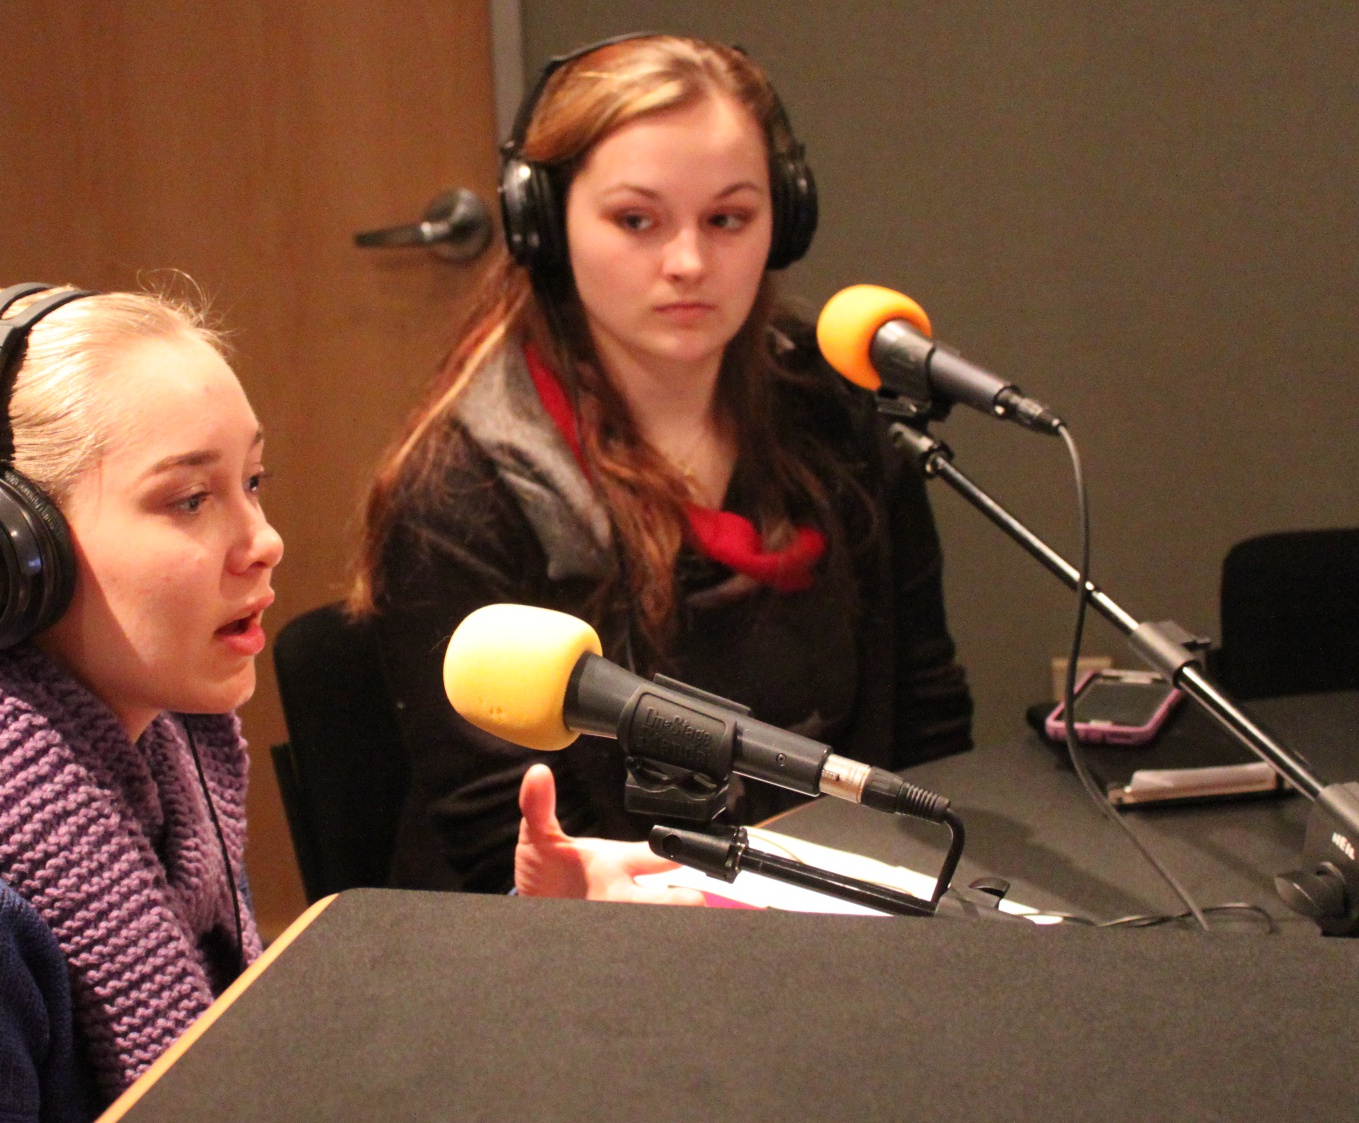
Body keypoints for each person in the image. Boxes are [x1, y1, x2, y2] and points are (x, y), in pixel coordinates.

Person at [0, 283, 685, 1123]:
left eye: (251, 482)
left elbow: (265, 1073)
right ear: (5, 556)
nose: (261, 539)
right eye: (189, 499)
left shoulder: (155, 757)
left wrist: (532, 946)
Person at [350, 35, 974, 895]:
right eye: (636, 219)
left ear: (781, 221)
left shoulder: (838, 416)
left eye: (726, 218)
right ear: (545, 222)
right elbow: (502, 831)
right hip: (585, 947)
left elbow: (927, 715)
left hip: (843, 910)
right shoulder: (460, 487)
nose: (687, 261)